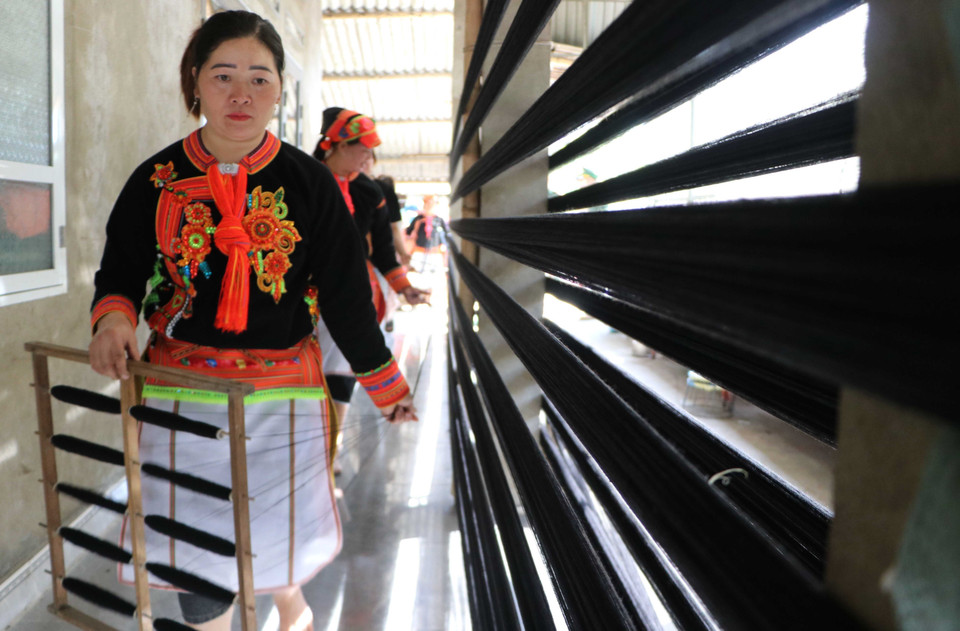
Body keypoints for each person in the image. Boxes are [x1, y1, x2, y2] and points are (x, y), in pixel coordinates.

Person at [88, 11, 416, 631]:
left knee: (270, 531)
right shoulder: (156, 180)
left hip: (281, 394)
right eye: (223, 76)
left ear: (279, 91)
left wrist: (386, 386)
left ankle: (293, 608)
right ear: (195, 82)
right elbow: (121, 272)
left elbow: (346, 298)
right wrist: (113, 320)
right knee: (195, 550)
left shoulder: (310, 184)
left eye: (259, 79)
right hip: (181, 392)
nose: (241, 94)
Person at [311, 108, 429, 427]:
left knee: (340, 369)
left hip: (350, 291)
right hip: (303, 291)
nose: (368, 158)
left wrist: (404, 288)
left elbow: (384, 251)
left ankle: (332, 444)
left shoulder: (369, 192)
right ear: (338, 145)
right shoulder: (304, 180)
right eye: (363, 149)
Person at [405, 194, 448, 272]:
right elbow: (408, 232)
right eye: (427, 203)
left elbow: (446, 234)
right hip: (419, 251)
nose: (429, 206)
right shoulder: (418, 219)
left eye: (432, 203)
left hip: (435, 252)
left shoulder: (439, 220)